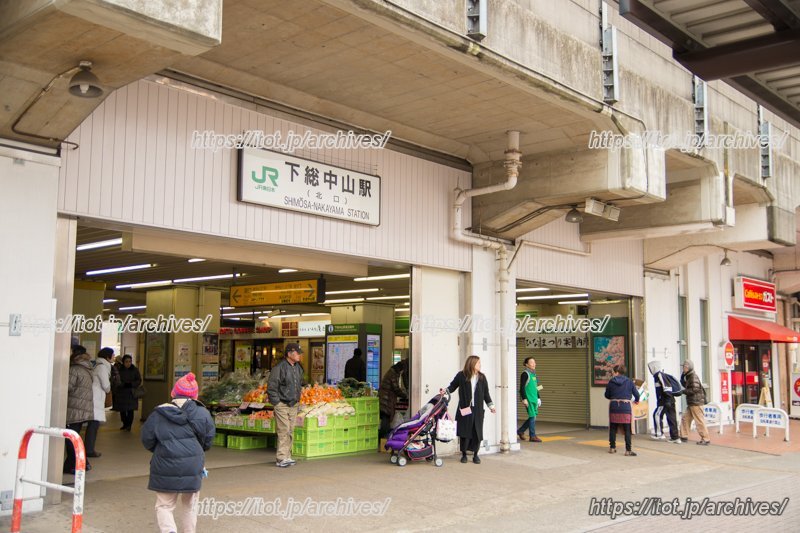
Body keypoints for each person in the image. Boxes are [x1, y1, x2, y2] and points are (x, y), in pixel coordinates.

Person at [141, 372, 214, 533]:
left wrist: (162, 449)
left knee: (164, 505)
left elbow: (147, 439)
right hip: (193, 464)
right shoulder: (202, 413)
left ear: (173, 393)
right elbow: (208, 440)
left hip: (165, 463)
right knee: (190, 505)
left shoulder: (158, 413)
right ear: (195, 395)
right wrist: (196, 451)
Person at [447, 355, 495, 464]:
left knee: (477, 432)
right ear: (472, 364)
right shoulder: (461, 375)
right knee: (465, 432)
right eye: (478, 363)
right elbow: (452, 386)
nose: (480, 365)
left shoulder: (482, 377)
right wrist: (445, 392)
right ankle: (464, 454)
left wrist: (491, 406)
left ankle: (476, 455)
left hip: (477, 410)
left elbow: (486, 394)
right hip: (465, 409)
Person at [267, 342, 304, 468]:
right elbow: (272, 387)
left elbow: (299, 384)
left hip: (293, 403)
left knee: (291, 430)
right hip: (282, 403)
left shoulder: (298, 367)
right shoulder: (280, 368)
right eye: (297, 353)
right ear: (289, 354)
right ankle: (281, 457)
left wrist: (298, 399)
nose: (299, 355)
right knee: (284, 430)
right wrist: (276, 402)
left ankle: (287, 456)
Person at [64, 345, 95, 474]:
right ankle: (79, 463)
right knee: (75, 437)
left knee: (71, 439)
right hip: (83, 407)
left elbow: (67, 387)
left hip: (74, 408)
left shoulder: (75, 369)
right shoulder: (87, 368)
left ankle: (78, 465)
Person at [604, 364, 640, 456]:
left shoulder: (611, 382)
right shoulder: (629, 382)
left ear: (616, 372)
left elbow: (607, 395)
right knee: (627, 429)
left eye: (613, 372)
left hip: (614, 406)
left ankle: (612, 448)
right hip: (626, 407)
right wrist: (636, 401)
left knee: (613, 428)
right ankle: (628, 450)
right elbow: (637, 395)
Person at [85, 347, 113, 458]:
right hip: (97, 398)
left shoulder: (96, 364)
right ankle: (89, 449)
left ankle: (89, 448)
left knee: (93, 424)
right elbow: (106, 386)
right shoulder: (102, 367)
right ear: (107, 356)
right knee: (93, 425)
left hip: (94, 396)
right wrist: (109, 388)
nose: (114, 356)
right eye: (112, 355)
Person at [647, 360, 681, 443]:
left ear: (654, 368)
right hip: (669, 400)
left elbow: (667, 387)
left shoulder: (659, 375)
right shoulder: (659, 376)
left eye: (650, 368)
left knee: (657, 415)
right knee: (671, 418)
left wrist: (667, 400)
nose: (650, 370)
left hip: (664, 401)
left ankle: (659, 434)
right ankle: (675, 437)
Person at [679, 359, 710, 445]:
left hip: (696, 403)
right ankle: (683, 436)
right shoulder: (689, 376)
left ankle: (706, 439)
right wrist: (682, 379)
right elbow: (688, 386)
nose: (683, 368)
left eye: (684, 367)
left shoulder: (693, 376)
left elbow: (694, 389)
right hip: (692, 403)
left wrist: (683, 391)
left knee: (699, 421)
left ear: (688, 367)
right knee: (685, 419)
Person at [379, 359, 409, 437]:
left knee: (386, 418)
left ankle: (384, 437)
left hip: (385, 398)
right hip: (386, 399)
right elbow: (396, 388)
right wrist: (405, 395)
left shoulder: (393, 372)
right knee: (386, 417)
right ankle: (383, 437)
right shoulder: (393, 374)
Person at [113, 354, 143, 431]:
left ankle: (129, 425)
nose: (128, 363)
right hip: (122, 392)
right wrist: (123, 385)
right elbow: (117, 380)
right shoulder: (119, 370)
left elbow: (139, 380)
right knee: (122, 410)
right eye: (126, 362)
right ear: (123, 362)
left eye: (130, 361)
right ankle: (124, 423)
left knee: (130, 410)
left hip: (131, 392)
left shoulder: (135, 370)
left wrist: (131, 384)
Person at [517, 357, 542, 443]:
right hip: (529, 399)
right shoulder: (525, 374)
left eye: (534, 362)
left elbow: (537, 387)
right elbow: (522, 388)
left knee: (533, 416)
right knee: (532, 416)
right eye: (532, 362)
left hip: (534, 399)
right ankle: (532, 435)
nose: (534, 364)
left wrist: (539, 397)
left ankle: (520, 431)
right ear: (526, 364)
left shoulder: (534, 374)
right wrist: (524, 399)